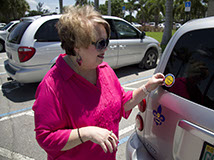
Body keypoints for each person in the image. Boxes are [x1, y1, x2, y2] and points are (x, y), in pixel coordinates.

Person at [33, 5, 165, 160]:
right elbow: (46, 138)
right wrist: (87, 133)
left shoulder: (104, 69)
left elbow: (122, 103)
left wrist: (147, 87)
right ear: (77, 47)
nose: (106, 48)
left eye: (106, 41)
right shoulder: (53, 85)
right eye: (101, 43)